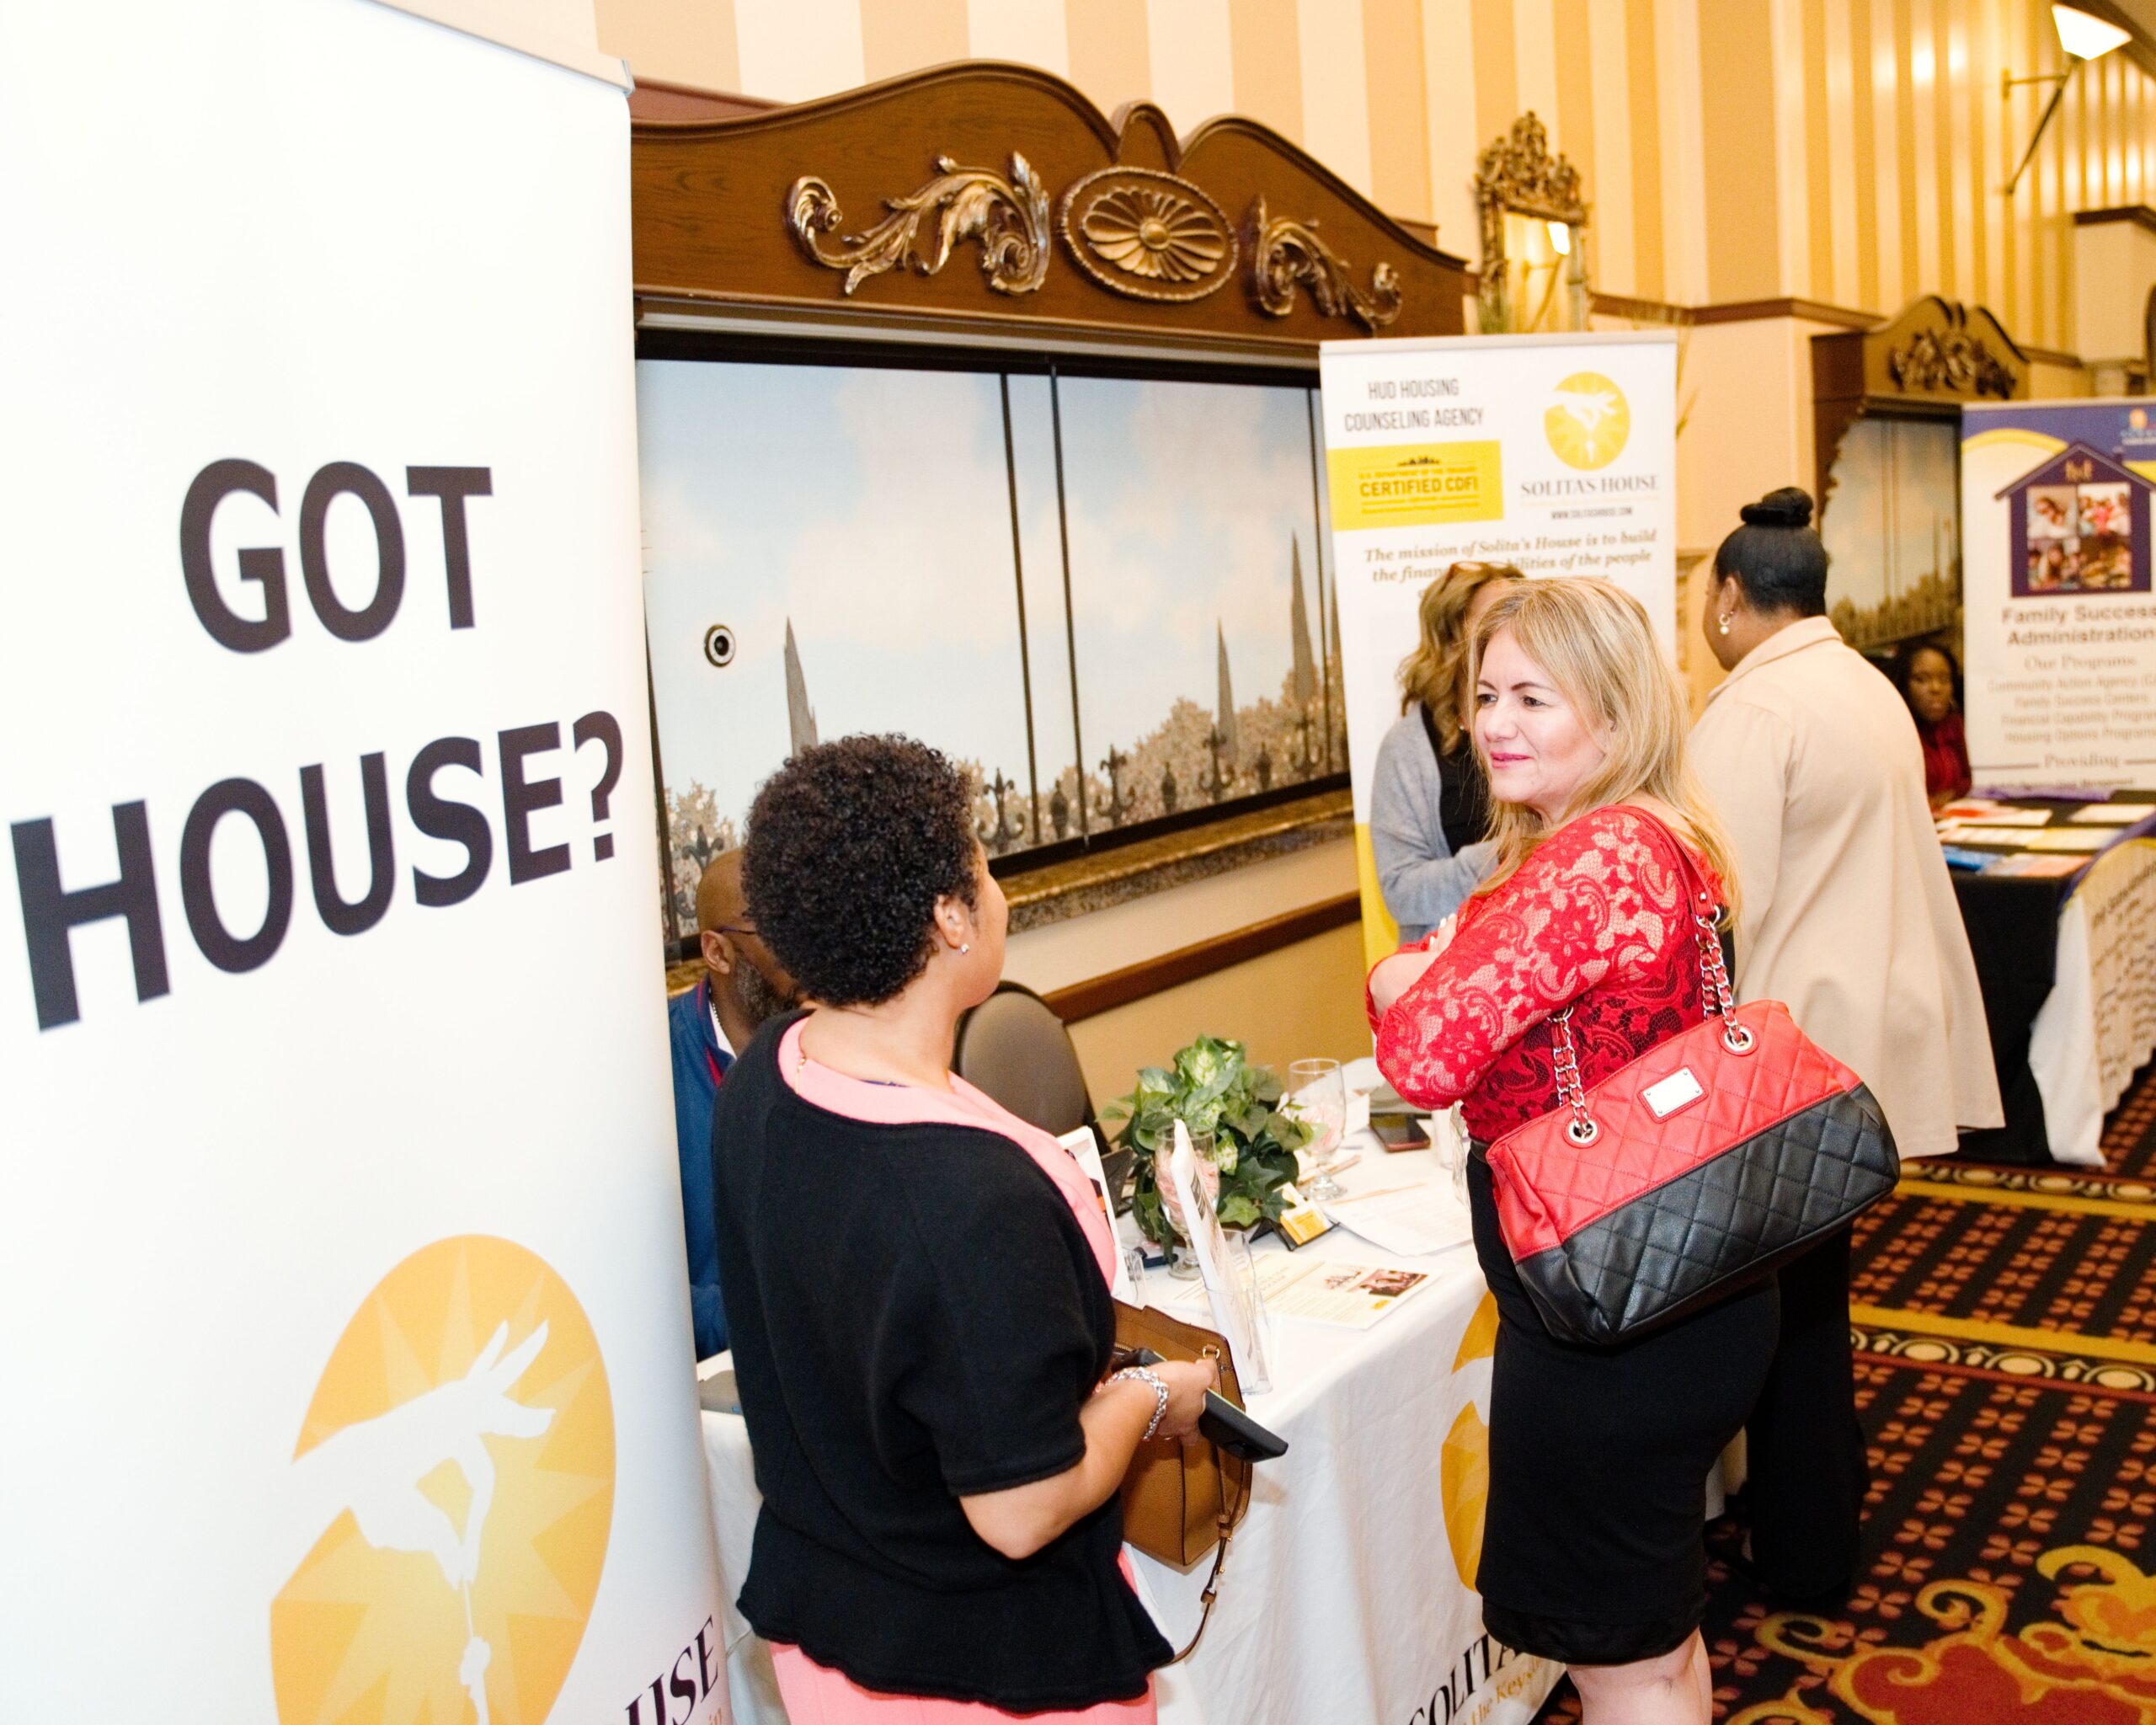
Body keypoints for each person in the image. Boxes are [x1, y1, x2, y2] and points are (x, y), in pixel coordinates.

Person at [712, 734, 1217, 1722]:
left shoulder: (770, 1071)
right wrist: (1152, 1395)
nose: (999, 893)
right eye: (984, 868)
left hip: (834, 1636)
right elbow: (1022, 1508)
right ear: (949, 915)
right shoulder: (968, 1198)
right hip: (980, 1674)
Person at [1368, 578, 1776, 1725]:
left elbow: (1423, 1051)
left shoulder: (1588, 863)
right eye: (1486, 694)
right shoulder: (1657, 834)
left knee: (1618, 1658)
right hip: (1678, 1285)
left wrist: (1400, 973)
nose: (1494, 723)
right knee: (1656, 1634)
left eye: (1533, 698)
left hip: (1609, 1316)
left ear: (1614, 710)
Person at [1690, 488, 1999, 1607]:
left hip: (1789, 1049)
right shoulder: (1866, 684)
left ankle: (1806, 1543)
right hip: (1866, 1031)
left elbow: (1718, 903)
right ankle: (1811, 1515)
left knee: (1788, 1315)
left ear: (1731, 596)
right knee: (1814, 1296)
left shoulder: (1753, 711)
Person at [666, 848, 798, 1359]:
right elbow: (640, 1290)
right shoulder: (655, 1075)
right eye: (775, 929)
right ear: (717, 953)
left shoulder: (838, 1034)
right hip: (723, 1367)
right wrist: (772, 1316)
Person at [1369, 561, 1519, 941]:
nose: (1517, 630)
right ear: (1453, 641)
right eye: (1498, 619)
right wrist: (1505, 855)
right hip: (1455, 957)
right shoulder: (1406, 749)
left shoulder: (1545, 718)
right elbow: (1400, 891)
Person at [1891, 641, 1972, 809]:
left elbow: (1967, 779)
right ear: (1904, 685)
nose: (1936, 688)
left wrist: (1951, 794)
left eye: (1944, 679)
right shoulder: (1896, 732)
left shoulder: (1954, 724)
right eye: (1921, 679)